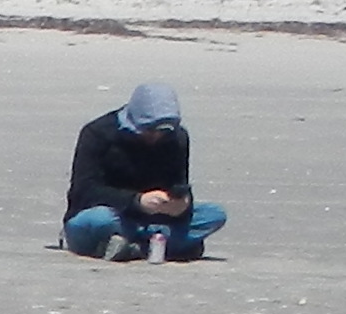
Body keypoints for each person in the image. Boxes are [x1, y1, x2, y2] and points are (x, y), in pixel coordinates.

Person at [63, 80, 225, 259]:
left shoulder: (177, 138)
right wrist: (137, 201)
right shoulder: (97, 133)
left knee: (213, 214)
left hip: (152, 218)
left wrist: (181, 205)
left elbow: (179, 183)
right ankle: (161, 245)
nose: (156, 135)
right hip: (110, 214)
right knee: (101, 219)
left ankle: (135, 247)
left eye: (163, 130)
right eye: (149, 129)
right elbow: (84, 191)